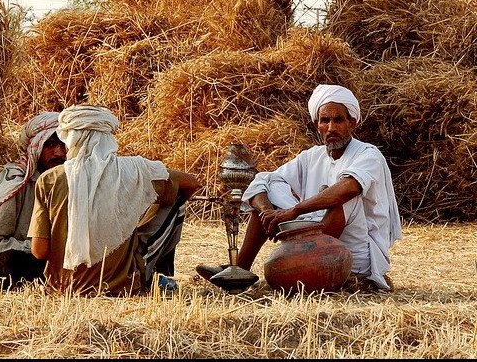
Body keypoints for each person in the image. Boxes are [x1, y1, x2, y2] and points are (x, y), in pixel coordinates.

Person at [197, 84, 402, 292]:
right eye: (325, 120)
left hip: (355, 257)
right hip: (311, 233)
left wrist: (294, 211)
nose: (331, 128)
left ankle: (313, 261)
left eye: (338, 120)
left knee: (344, 196)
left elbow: (348, 188)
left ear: (352, 123)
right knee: (267, 183)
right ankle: (239, 269)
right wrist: (269, 213)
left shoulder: (369, 154)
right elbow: (263, 180)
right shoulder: (311, 156)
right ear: (316, 125)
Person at [28, 105, 201, 296]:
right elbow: (191, 183)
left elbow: (39, 251)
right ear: (109, 137)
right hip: (123, 288)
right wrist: (132, 215)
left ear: (69, 139)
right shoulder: (135, 171)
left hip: (63, 289)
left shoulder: (49, 179)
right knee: (177, 196)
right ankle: (152, 272)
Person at [0, 111, 67, 288]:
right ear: (36, 148)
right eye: (50, 145)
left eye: (63, 145)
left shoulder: (64, 183)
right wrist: (39, 248)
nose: (58, 153)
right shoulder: (16, 182)